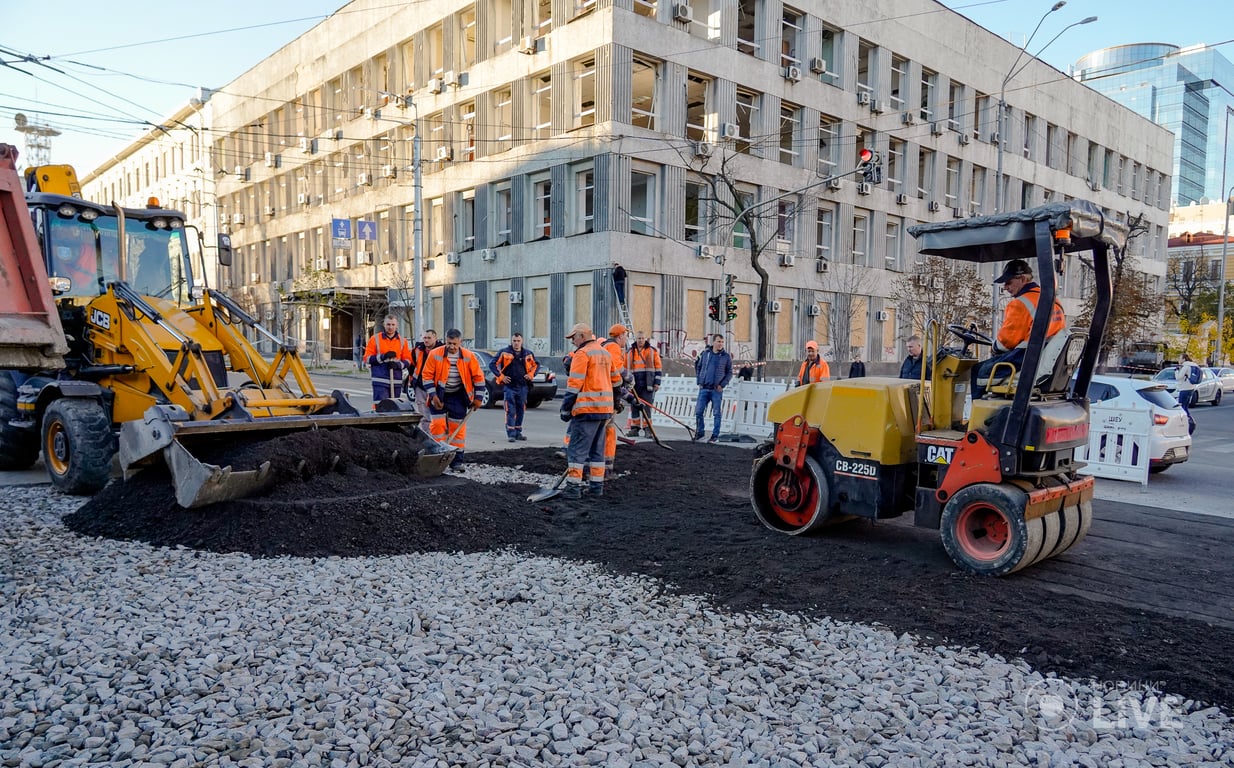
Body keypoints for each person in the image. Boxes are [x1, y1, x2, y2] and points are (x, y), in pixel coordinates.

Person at [970, 258, 1065, 400]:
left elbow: (1005, 343)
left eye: (1009, 282)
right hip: (1043, 355)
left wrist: (995, 346)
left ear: (1022, 279)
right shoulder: (1051, 299)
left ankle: (976, 416)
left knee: (978, 371)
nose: (1006, 287)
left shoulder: (1020, 303)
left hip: (1025, 357)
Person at [559, 323, 621, 499]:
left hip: (586, 409)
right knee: (596, 451)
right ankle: (596, 487)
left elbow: (574, 385)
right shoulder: (605, 353)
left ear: (582, 336)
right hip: (604, 411)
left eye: (574, 337)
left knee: (577, 450)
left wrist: (565, 409)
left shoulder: (582, 354)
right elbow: (617, 381)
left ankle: (573, 488)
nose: (572, 341)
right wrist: (616, 403)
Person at [421, 328, 487, 472]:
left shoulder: (468, 356)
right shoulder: (435, 354)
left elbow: (479, 378)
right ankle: (437, 457)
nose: (451, 347)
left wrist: (478, 398)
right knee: (437, 426)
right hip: (439, 394)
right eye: (449, 343)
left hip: (458, 396)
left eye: (454, 344)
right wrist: (433, 396)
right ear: (445, 341)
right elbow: (426, 376)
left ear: (460, 343)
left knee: (457, 429)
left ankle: (456, 461)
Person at [491, 332, 539, 442]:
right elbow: (492, 364)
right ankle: (511, 433)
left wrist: (531, 375)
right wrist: (501, 376)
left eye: (518, 341)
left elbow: (536, 365)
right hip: (509, 387)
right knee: (510, 410)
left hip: (523, 386)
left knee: (521, 410)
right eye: (514, 341)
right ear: (511, 341)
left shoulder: (527, 353)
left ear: (522, 342)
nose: (516, 343)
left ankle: (518, 432)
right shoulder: (504, 352)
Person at [600, 324, 633, 474]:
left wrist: (627, 396)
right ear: (620, 336)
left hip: (605, 394)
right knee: (607, 432)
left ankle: (597, 468)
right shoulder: (613, 347)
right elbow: (616, 370)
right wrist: (629, 377)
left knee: (602, 431)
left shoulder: (603, 346)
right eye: (626, 335)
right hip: (607, 397)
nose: (626, 339)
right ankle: (605, 470)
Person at [363, 315, 413, 404]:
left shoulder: (402, 341)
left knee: (394, 406)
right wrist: (383, 356)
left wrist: (397, 365)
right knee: (381, 405)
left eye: (393, 325)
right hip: (380, 379)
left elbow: (408, 360)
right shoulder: (375, 339)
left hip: (396, 379)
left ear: (396, 325)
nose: (390, 327)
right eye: (388, 324)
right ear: (384, 325)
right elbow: (367, 358)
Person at [694, 334, 732, 443]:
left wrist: (722, 385)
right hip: (704, 387)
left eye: (722, 342)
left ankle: (715, 436)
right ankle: (700, 433)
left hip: (716, 389)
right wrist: (699, 380)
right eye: (719, 341)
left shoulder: (726, 356)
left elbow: (729, 372)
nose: (720, 344)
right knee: (699, 411)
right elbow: (698, 366)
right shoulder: (706, 354)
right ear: (713, 342)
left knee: (716, 413)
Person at [625, 330, 662, 437]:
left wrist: (657, 382)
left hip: (647, 383)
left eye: (642, 338)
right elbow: (624, 368)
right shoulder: (629, 352)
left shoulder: (652, 351)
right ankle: (635, 428)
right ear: (635, 339)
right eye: (638, 338)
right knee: (634, 406)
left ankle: (647, 429)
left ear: (645, 339)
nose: (640, 340)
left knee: (647, 407)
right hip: (634, 384)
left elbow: (658, 368)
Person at [409, 329, 441, 417]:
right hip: (420, 385)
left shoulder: (442, 350)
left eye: (429, 338)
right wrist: (411, 378)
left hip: (435, 386)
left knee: (437, 414)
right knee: (423, 414)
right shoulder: (418, 349)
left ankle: (436, 430)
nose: (426, 340)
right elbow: (411, 364)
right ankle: (425, 430)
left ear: (435, 338)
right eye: (425, 338)